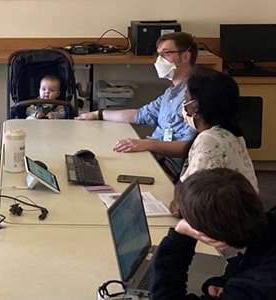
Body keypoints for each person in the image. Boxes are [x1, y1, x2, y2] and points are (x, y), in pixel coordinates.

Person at [76, 32, 198, 176]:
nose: (159, 60)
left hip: (168, 167)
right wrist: (99, 114)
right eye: (158, 55)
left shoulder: (194, 95)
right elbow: (140, 115)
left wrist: (148, 144)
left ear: (185, 57)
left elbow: (187, 147)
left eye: (166, 54)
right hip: (154, 156)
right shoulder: (171, 92)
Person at [151, 168, 276, 299]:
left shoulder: (257, 288)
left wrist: (180, 236)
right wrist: (226, 281)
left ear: (218, 240)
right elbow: (253, 257)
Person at [170, 68, 258, 217]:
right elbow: (184, 184)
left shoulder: (209, 140)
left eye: (185, 99)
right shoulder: (230, 134)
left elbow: (191, 204)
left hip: (223, 224)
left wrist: (179, 198)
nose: (183, 105)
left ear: (195, 106)